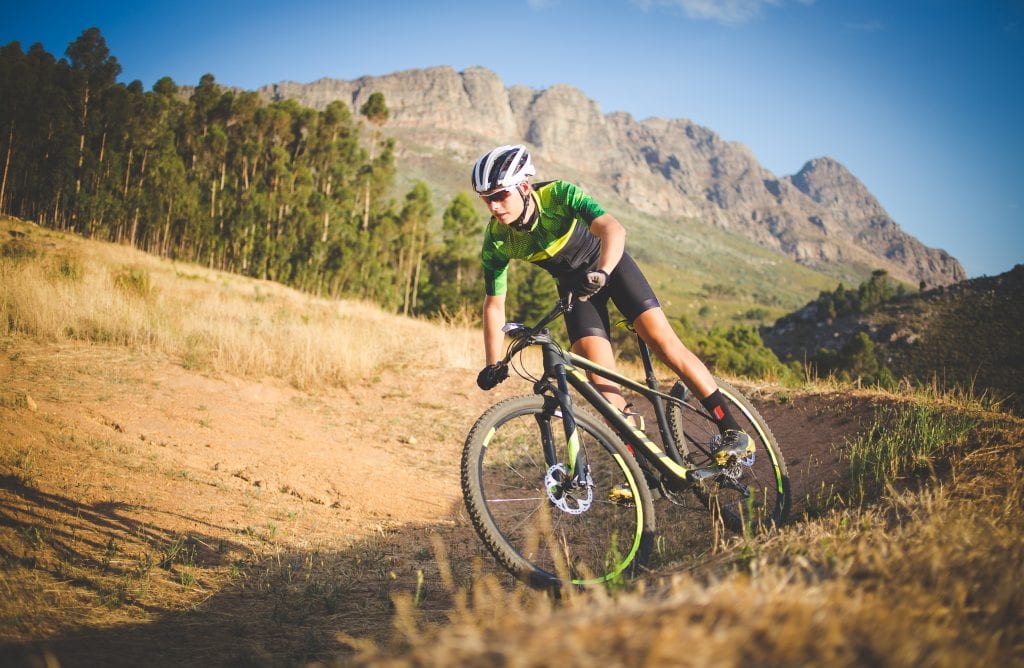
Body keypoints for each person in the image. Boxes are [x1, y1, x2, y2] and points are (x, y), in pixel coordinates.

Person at [470, 144, 754, 468]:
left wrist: (602, 271)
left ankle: (732, 430)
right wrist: (494, 362)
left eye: (500, 195)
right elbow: (494, 304)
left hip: (611, 265)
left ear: (522, 187)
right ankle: (641, 469)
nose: (494, 206)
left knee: (661, 341)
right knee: (601, 379)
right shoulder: (497, 239)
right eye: (486, 199)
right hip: (574, 291)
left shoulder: (558, 195)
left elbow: (613, 228)